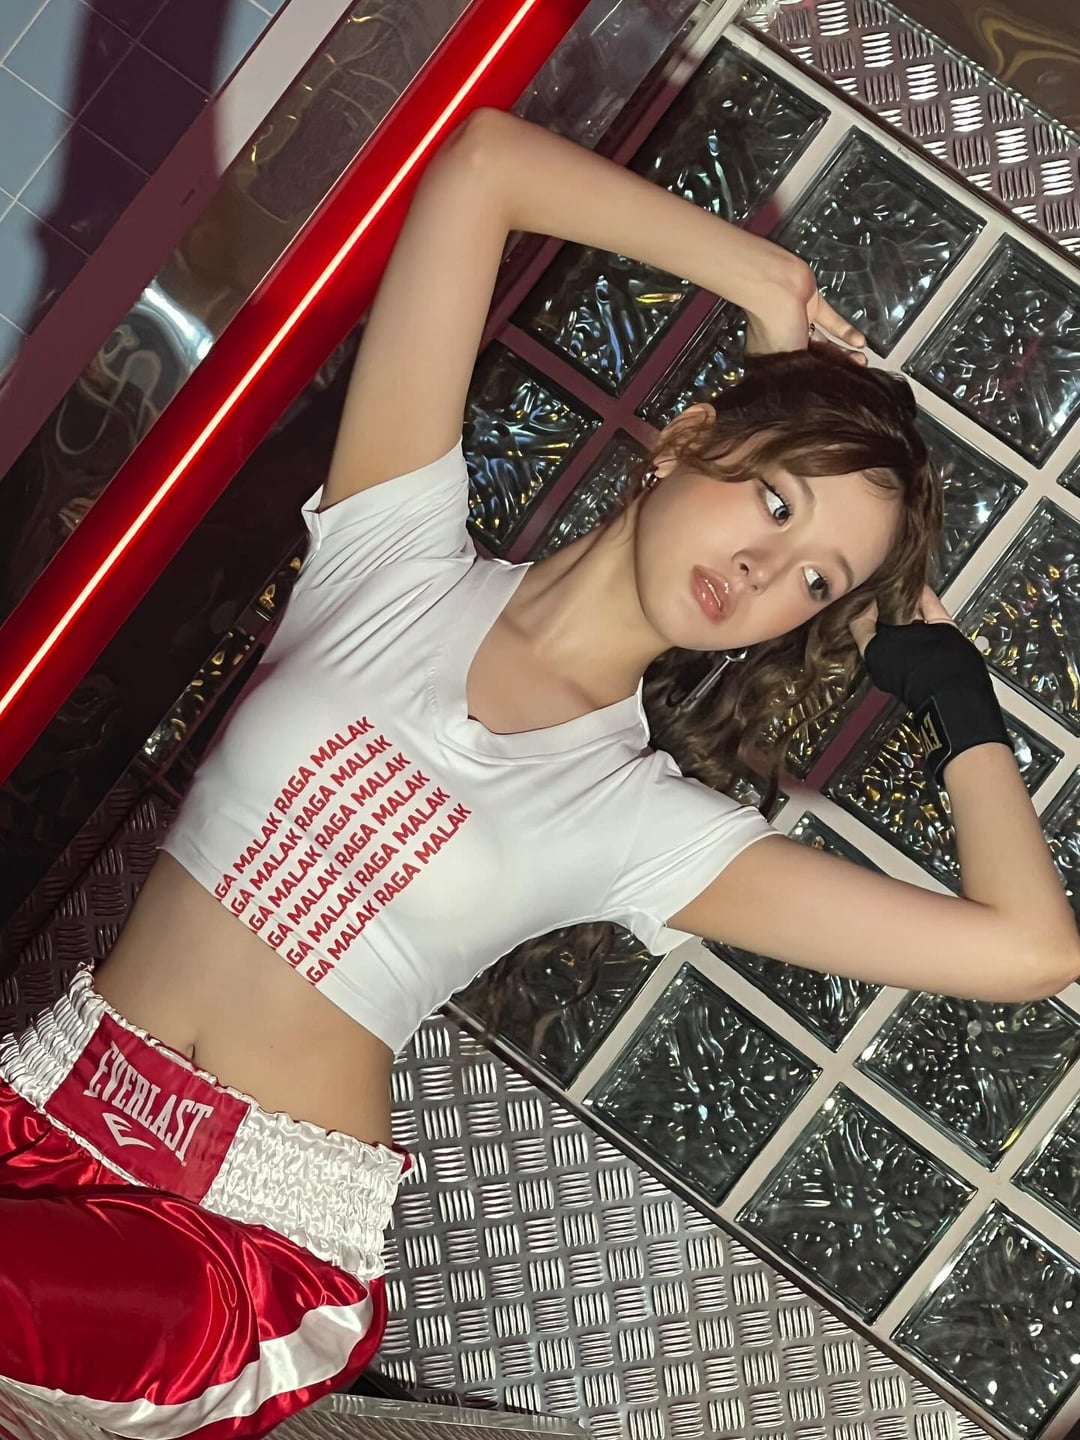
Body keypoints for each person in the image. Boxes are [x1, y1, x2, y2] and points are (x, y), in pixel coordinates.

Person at [1, 106, 1076, 1440]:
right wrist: (760, 278)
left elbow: (1030, 949)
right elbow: (481, 165)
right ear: (686, 439)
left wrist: (950, 687)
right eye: (776, 502)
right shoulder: (392, 548)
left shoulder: (638, 822)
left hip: (233, 1256)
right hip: (41, 1111)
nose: (763, 571)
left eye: (815, 583)